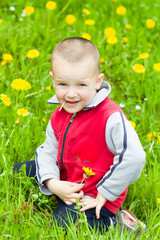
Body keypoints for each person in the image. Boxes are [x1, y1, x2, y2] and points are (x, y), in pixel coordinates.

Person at [14, 37, 146, 233]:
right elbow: (48, 151)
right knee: (21, 170)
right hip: (67, 175)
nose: (71, 94)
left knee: (66, 227)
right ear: (52, 80)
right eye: (63, 84)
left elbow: (135, 157)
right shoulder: (59, 114)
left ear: (97, 82)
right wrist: (53, 183)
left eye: (81, 85)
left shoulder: (110, 118)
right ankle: (56, 188)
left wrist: (105, 193)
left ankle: (115, 222)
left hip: (94, 191)